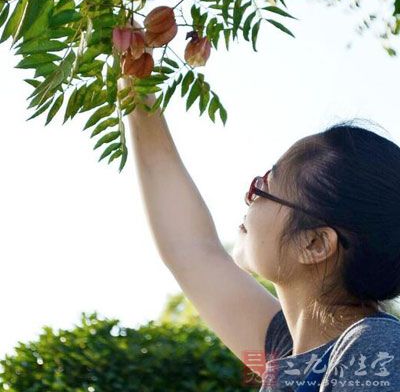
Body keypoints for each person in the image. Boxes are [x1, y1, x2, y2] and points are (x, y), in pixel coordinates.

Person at [121, 50, 400, 391]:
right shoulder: (284, 354)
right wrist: (134, 77)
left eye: (263, 187)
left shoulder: (377, 349)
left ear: (313, 243)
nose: (248, 198)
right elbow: (190, 250)